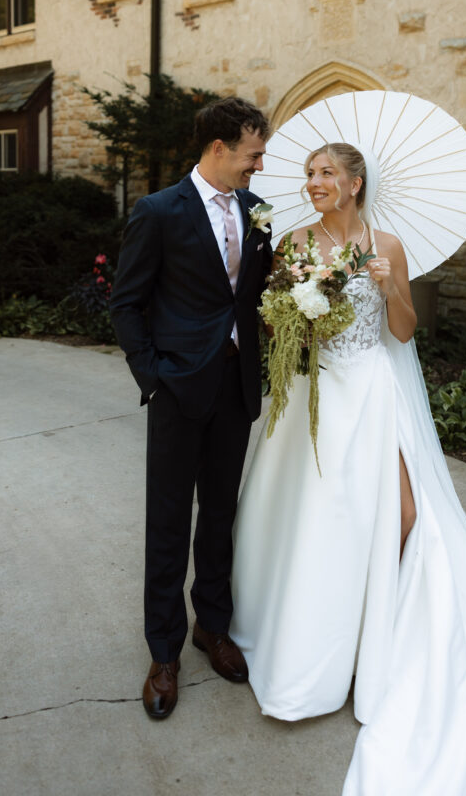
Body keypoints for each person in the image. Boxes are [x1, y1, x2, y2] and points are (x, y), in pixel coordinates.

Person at [230, 142, 466, 794]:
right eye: (310, 174)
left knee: (402, 516)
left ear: (354, 183)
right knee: (315, 519)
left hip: (374, 394)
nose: (314, 182)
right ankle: (313, 639)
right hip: (315, 397)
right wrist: (301, 314)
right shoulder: (294, 243)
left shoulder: (388, 245)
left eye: (326, 174)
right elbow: (277, 330)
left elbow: (404, 333)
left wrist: (387, 288)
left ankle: (383, 634)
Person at [110, 96, 272, 721]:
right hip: (179, 390)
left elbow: (252, 297)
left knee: (221, 517)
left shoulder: (259, 213)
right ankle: (164, 651)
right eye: (254, 154)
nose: (259, 165)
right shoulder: (159, 212)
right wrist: (154, 377)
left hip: (235, 391)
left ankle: (213, 628)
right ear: (219, 149)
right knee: (170, 522)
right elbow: (126, 303)